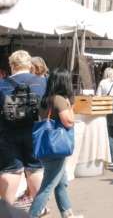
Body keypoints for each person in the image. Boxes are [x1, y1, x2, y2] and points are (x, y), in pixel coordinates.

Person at [29, 69, 82, 218]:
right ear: (64, 82)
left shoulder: (46, 98)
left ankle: (68, 214)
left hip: (47, 148)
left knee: (61, 184)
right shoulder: (59, 99)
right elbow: (69, 122)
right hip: (56, 149)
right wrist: (70, 106)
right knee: (47, 187)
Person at [0, 50, 46, 206]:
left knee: (11, 171)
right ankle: (39, 209)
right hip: (34, 132)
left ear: (12, 65)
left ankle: (6, 211)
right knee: (35, 169)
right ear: (29, 64)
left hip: (7, 134)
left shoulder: (2, 84)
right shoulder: (42, 82)